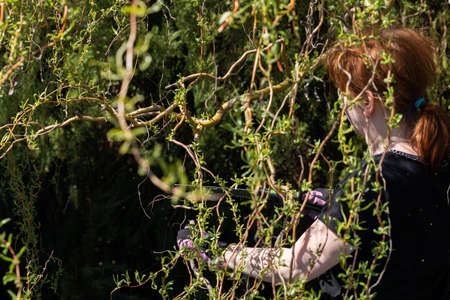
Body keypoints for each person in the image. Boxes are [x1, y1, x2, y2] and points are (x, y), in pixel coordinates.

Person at [177, 26, 450, 299]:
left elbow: (294, 266)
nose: (342, 106)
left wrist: (215, 251)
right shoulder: (438, 159)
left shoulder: (372, 181)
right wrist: (338, 203)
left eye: (344, 95)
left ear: (367, 102)